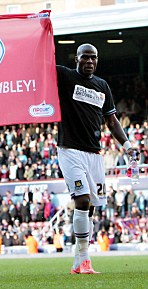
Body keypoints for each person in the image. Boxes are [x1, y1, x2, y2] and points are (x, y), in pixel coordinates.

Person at [56, 43, 138, 274]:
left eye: (94, 58)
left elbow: (111, 122)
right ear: (77, 60)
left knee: (90, 207)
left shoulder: (102, 86)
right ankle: (83, 257)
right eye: (85, 57)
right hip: (70, 149)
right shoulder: (65, 76)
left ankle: (80, 258)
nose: (89, 61)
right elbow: (42, 64)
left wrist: (129, 146)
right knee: (81, 201)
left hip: (94, 154)